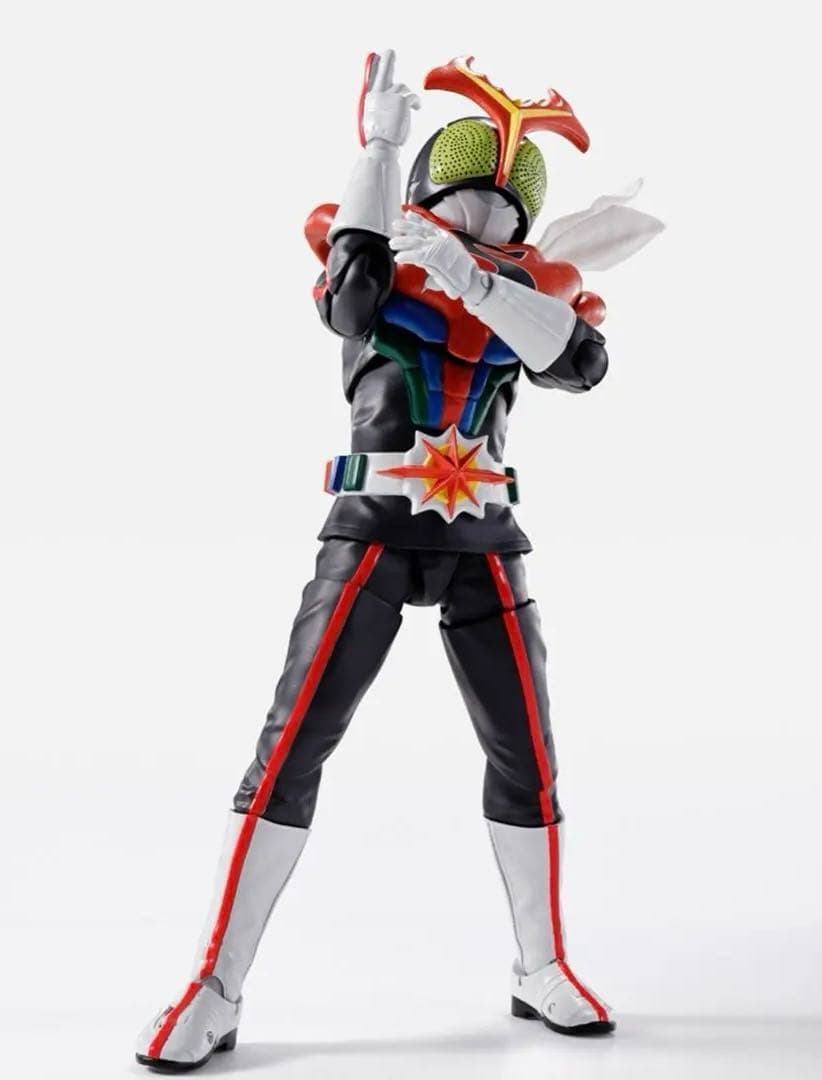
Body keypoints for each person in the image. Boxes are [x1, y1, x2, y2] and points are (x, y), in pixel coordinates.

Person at [136, 51, 662, 1072]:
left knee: (527, 754)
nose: (487, 220)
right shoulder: (379, 266)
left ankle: (541, 963)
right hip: (373, 526)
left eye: (506, 211)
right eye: (467, 201)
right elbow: (350, 298)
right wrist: (378, 149)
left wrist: (481, 281)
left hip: (483, 543)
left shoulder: (530, 294)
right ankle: (216, 981)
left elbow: (580, 362)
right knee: (292, 747)